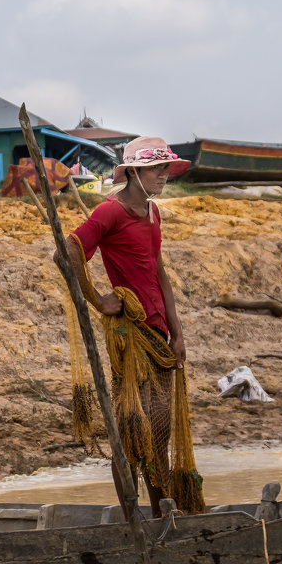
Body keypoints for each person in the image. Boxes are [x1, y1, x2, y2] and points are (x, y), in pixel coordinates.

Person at [62, 138, 191, 517]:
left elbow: (158, 272)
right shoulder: (110, 212)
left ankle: (159, 515)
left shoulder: (152, 213)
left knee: (160, 432)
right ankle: (134, 520)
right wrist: (98, 299)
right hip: (129, 333)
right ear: (134, 172)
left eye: (167, 169)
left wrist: (177, 331)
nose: (164, 176)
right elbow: (66, 251)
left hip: (158, 335)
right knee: (135, 428)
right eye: (157, 169)